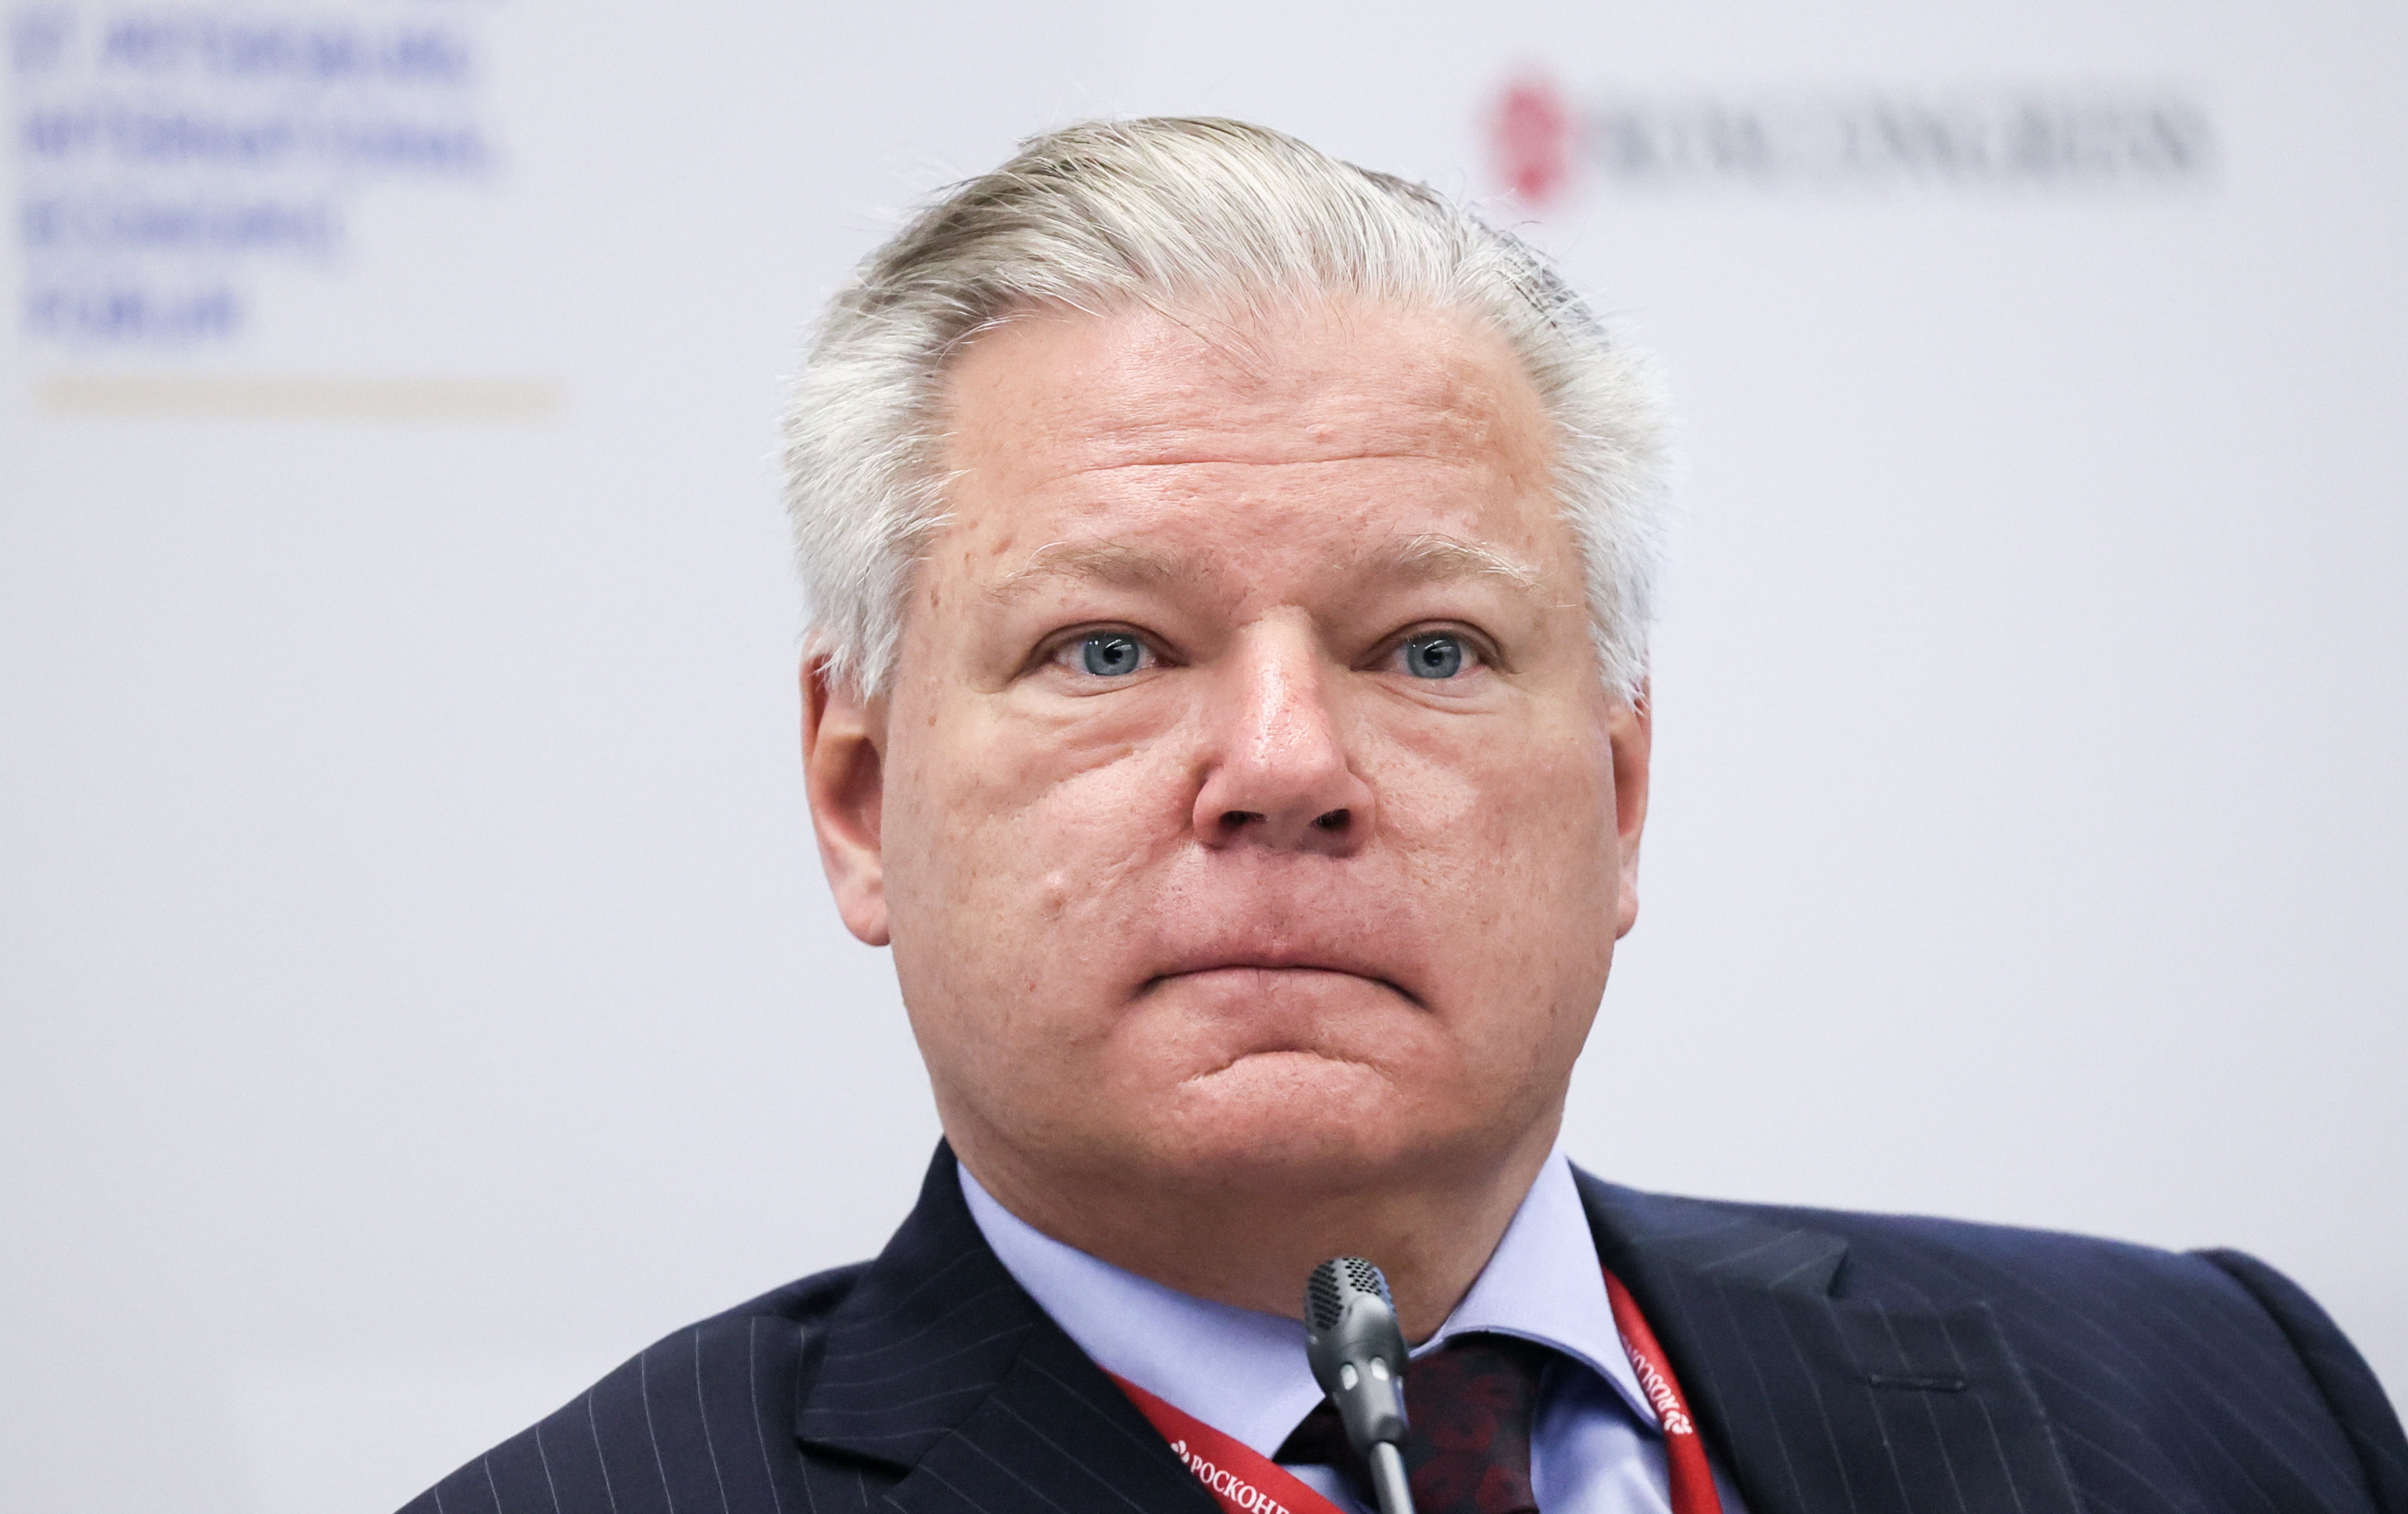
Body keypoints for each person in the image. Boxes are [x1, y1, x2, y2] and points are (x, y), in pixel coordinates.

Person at [401, 118, 2406, 1514]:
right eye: (1109, 648)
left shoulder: (2216, 1399)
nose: (1284, 762)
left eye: (1429, 648)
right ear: (857, 798)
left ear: (1620, 790)